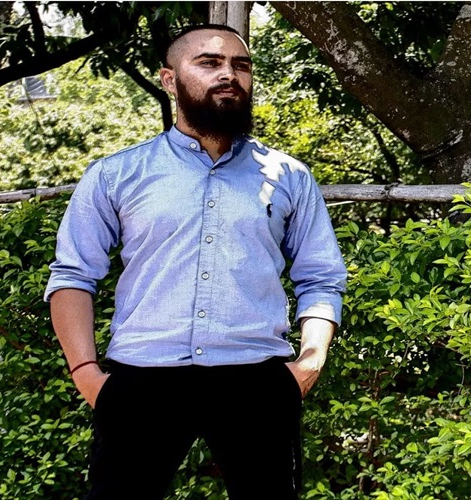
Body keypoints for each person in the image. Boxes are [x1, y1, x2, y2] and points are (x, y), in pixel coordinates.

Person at [45, 24, 347, 500]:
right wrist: (85, 372)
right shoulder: (117, 174)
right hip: (143, 379)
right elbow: (72, 275)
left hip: (256, 380)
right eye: (209, 63)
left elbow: (321, 276)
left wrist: (310, 361)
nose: (229, 74)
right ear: (169, 79)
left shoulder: (290, 176)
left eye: (241, 66)